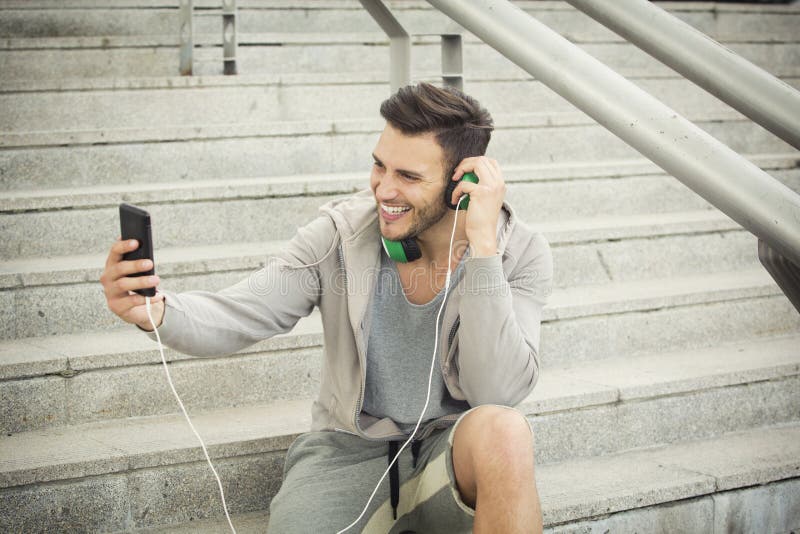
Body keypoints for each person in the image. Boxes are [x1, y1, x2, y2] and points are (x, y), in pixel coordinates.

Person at [100, 82, 553, 534]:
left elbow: (497, 391)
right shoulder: (341, 234)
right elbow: (244, 308)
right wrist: (158, 312)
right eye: (379, 166)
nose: (384, 190)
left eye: (409, 177)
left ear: (462, 186)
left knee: (506, 431)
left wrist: (483, 250)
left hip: (450, 452)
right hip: (347, 451)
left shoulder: (519, 253)